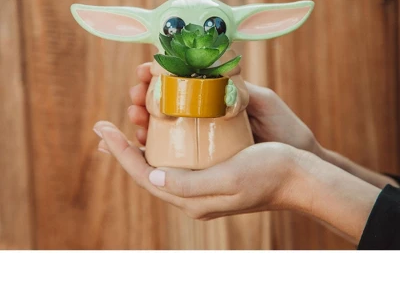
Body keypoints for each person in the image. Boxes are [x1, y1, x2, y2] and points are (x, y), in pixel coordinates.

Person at [93, 63, 400, 250]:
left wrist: (297, 178)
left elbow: (236, 99)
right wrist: (314, 158)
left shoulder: (229, 74)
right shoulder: (161, 75)